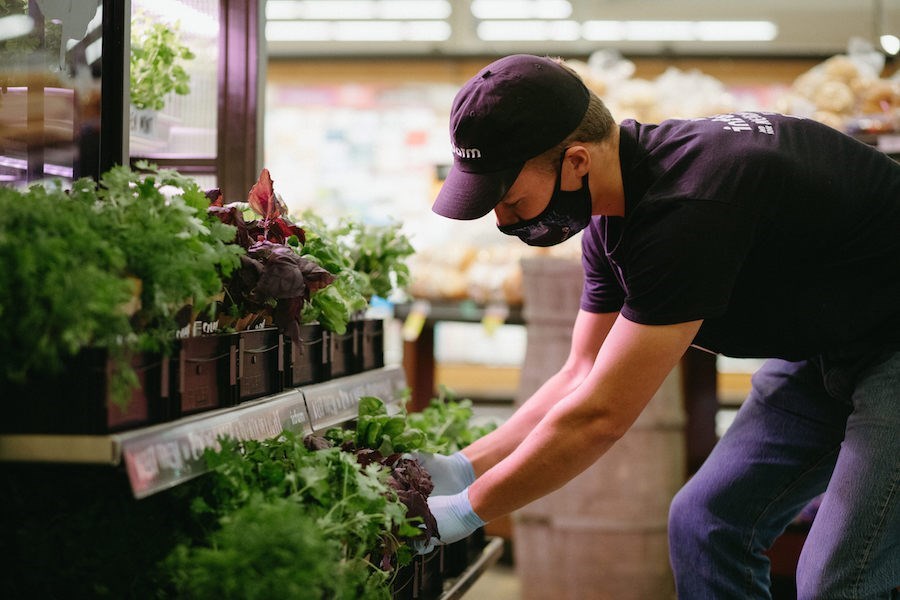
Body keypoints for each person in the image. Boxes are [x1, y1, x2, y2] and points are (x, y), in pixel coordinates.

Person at [415, 53, 900, 599]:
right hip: (830, 346)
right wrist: (463, 467)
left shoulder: (690, 207)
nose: (504, 220)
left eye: (508, 198)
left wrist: (466, 511)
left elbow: (600, 416)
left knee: (843, 579)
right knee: (706, 526)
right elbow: (582, 372)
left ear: (576, 161)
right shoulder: (613, 218)